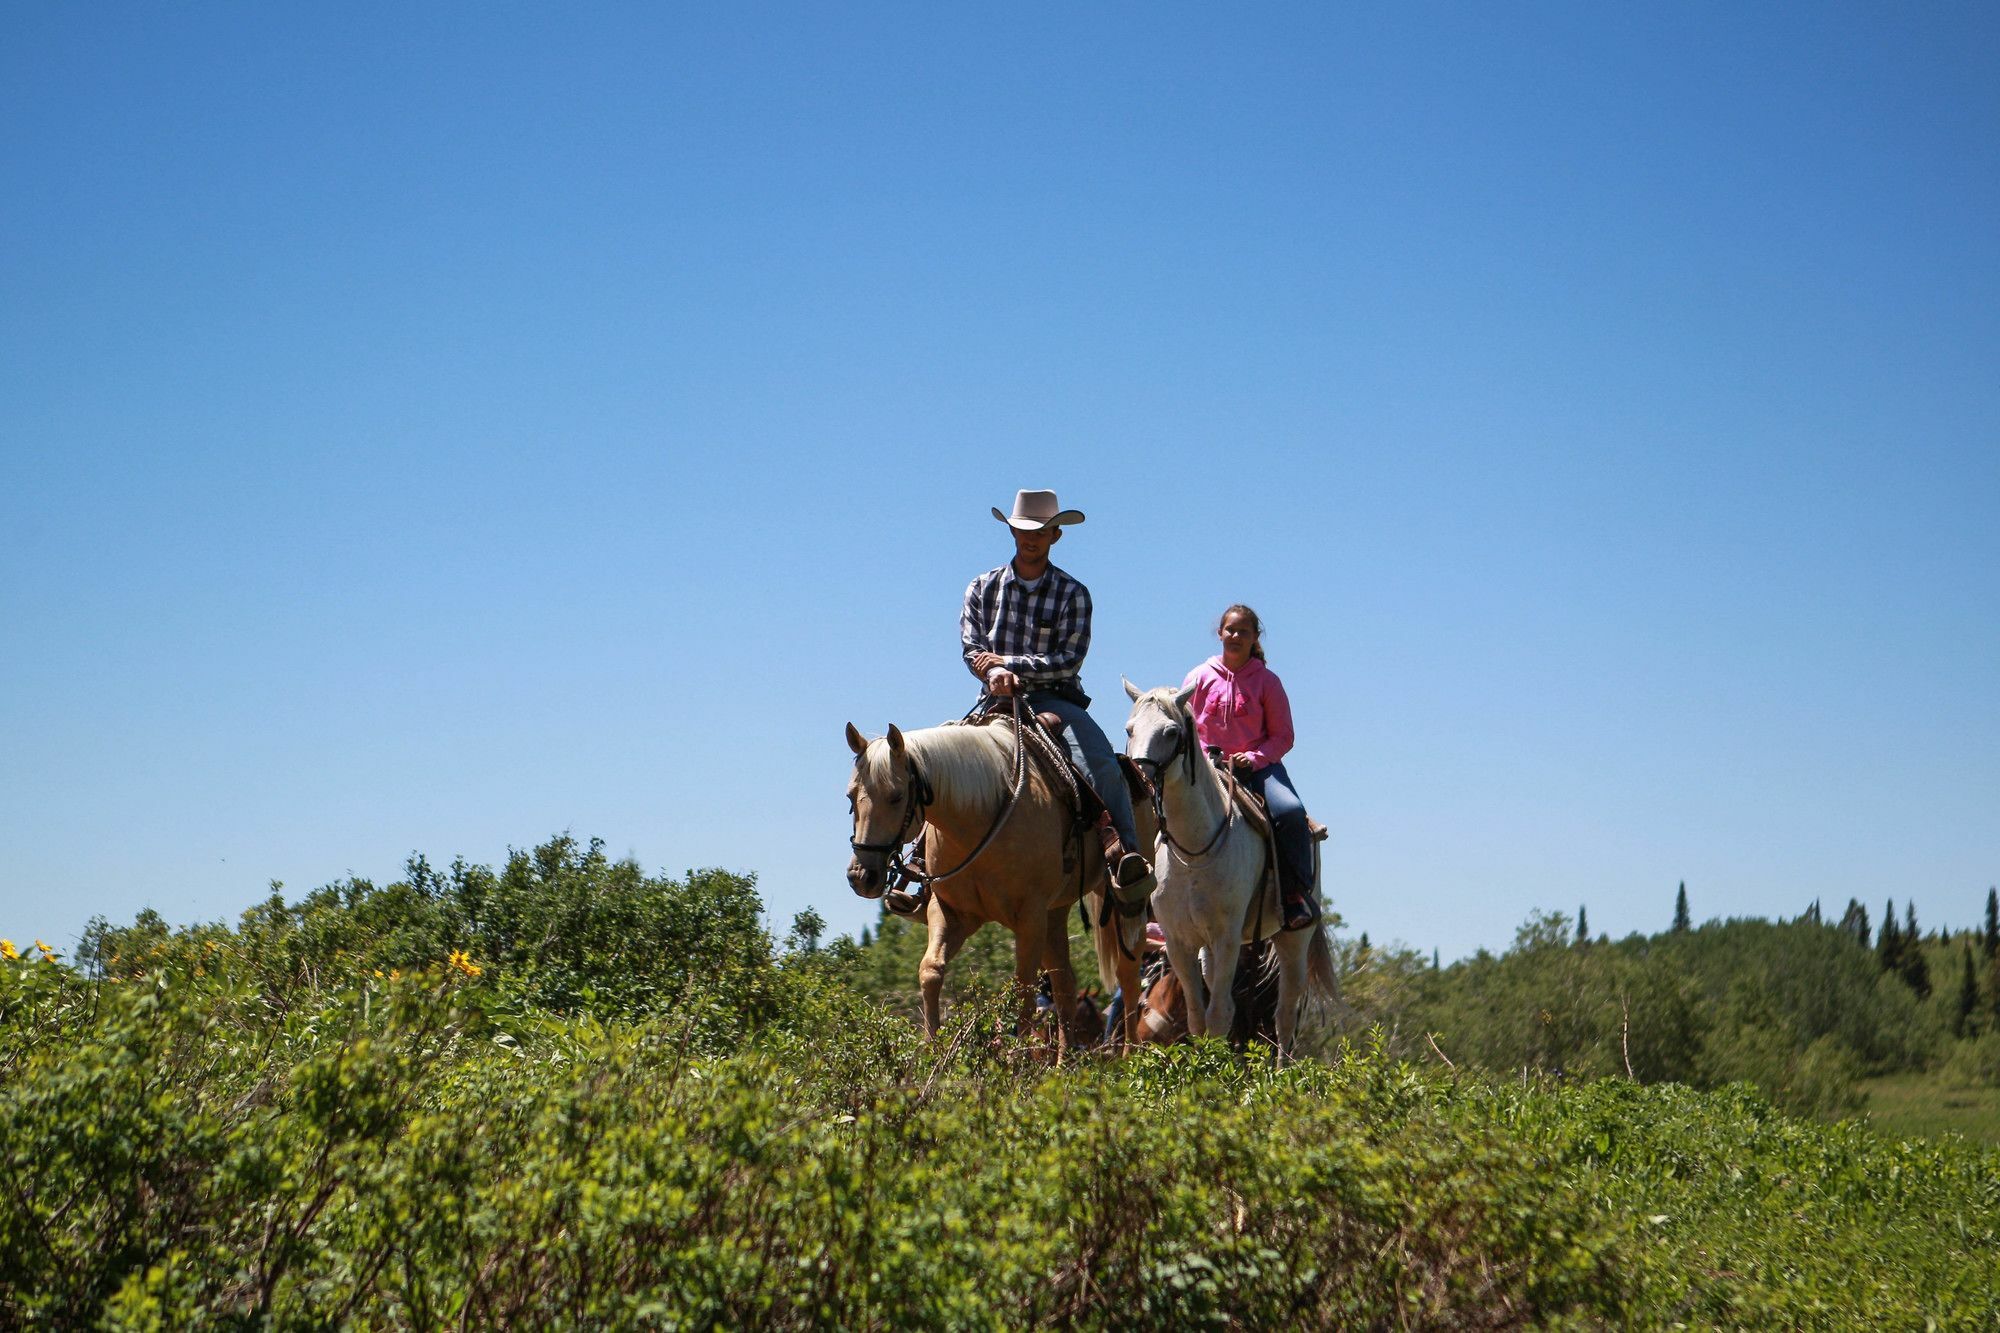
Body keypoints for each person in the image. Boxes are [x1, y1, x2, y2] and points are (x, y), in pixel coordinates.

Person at [961, 489, 1153, 907]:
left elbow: (1068, 659)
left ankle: (1128, 858)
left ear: (1056, 536)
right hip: (994, 701)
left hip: (1056, 700)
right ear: (1011, 530)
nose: (1030, 538)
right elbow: (972, 648)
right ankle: (921, 865)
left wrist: (1009, 663)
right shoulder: (981, 587)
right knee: (936, 761)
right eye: (1023, 530)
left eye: (1041, 532)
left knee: (1101, 762)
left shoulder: (1073, 593)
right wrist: (992, 671)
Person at [1181, 604, 1318, 931]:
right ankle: (1155, 899)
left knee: (1289, 812)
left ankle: (1293, 895)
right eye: (1231, 629)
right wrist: (1203, 755)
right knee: (1161, 804)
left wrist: (1254, 758)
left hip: (1258, 769)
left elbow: (1284, 736)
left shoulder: (1268, 682)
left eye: (1244, 631)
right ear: (1220, 633)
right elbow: (1185, 726)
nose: (1236, 636)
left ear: (1255, 637)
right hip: (1206, 769)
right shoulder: (1198, 676)